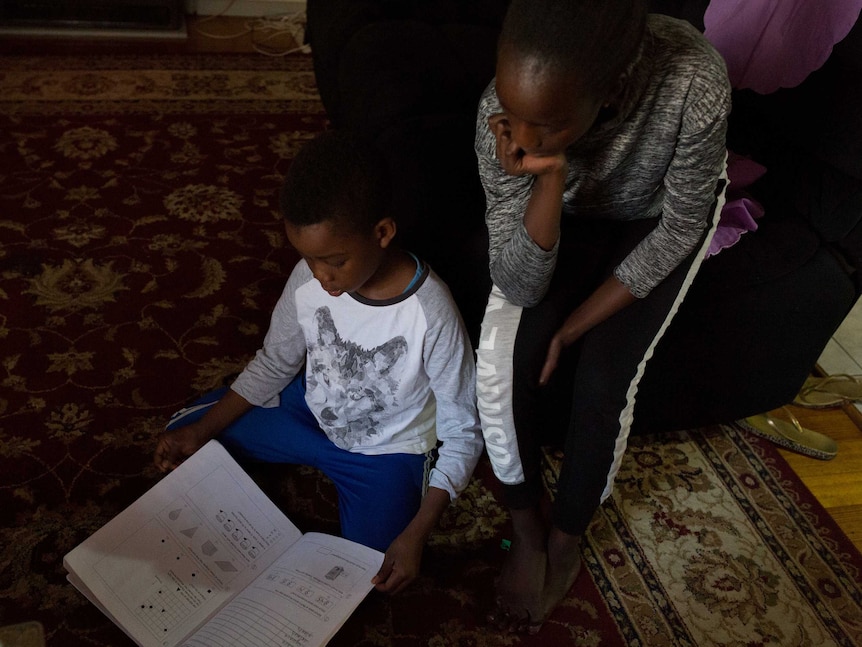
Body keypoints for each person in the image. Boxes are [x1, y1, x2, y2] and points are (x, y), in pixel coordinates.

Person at [474, 0, 731, 633]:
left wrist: (575, 327)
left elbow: (680, 227)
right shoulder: (500, 118)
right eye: (517, 117)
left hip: (655, 219)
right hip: (562, 210)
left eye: (549, 124)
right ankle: (526, 525)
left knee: (602, 381)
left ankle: (566, 536)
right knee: (499, 365)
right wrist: (550, 177)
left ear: (612, 90)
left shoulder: (695, 80)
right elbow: (519, 282)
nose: (524, 138)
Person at [155, 130, 483, 595]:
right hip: (309, 416)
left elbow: (463, 427)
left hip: (386, 450)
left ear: (382, 233)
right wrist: (201, 431)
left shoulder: (431, 311)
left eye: (334, 261)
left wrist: (418, 531)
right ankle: (221, 434)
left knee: (373, 571)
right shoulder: (308, 278)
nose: (320, 276)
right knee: (186, 431)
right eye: (308, 259)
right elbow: (274, 363)